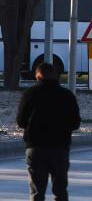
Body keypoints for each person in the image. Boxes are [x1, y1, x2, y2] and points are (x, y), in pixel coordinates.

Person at [17, 62, 81, 201]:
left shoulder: (29, 94)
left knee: (36, 192)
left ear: (38, 76)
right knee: (60, 191)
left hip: (35, 148)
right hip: (59, 148)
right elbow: (75, 123)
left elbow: (21, 121)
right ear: (56, 76)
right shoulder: (67, 96)